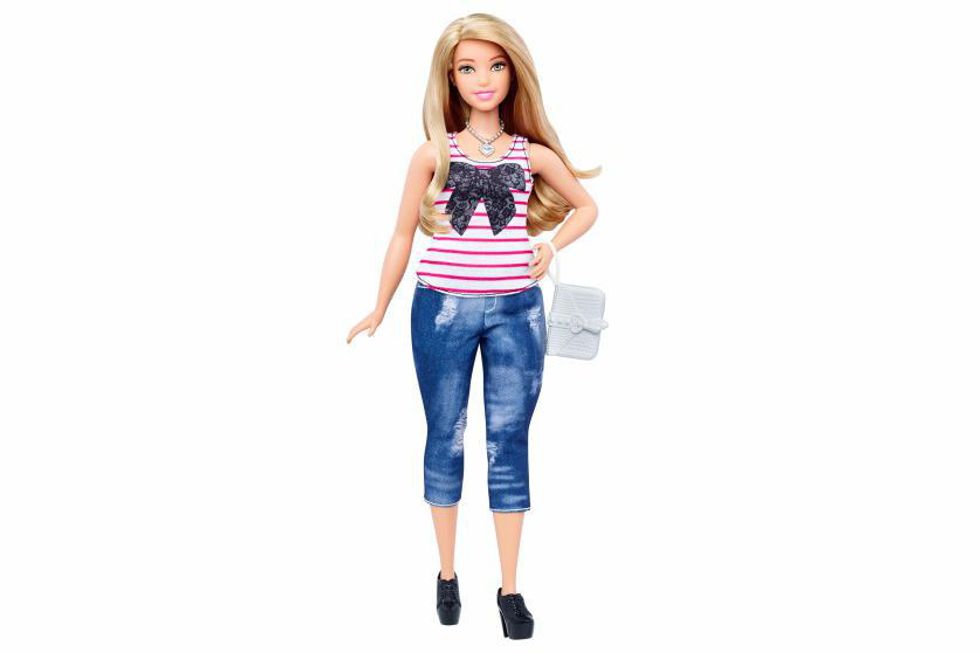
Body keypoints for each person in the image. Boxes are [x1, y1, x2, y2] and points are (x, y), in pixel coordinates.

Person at [347, 12, 600, 640]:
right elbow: (402, 233)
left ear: (514, 73)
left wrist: (551, 245)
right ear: (450, 78)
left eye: (495, 65)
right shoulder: (433, 155)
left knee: (509, 440)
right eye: (467, 67)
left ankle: (510, 588)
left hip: (517, 309)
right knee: (446, 432)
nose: (482, 78)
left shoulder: (532, 155)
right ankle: (446, 572)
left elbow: (586, 206)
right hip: (441, 308)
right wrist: (379, 305)